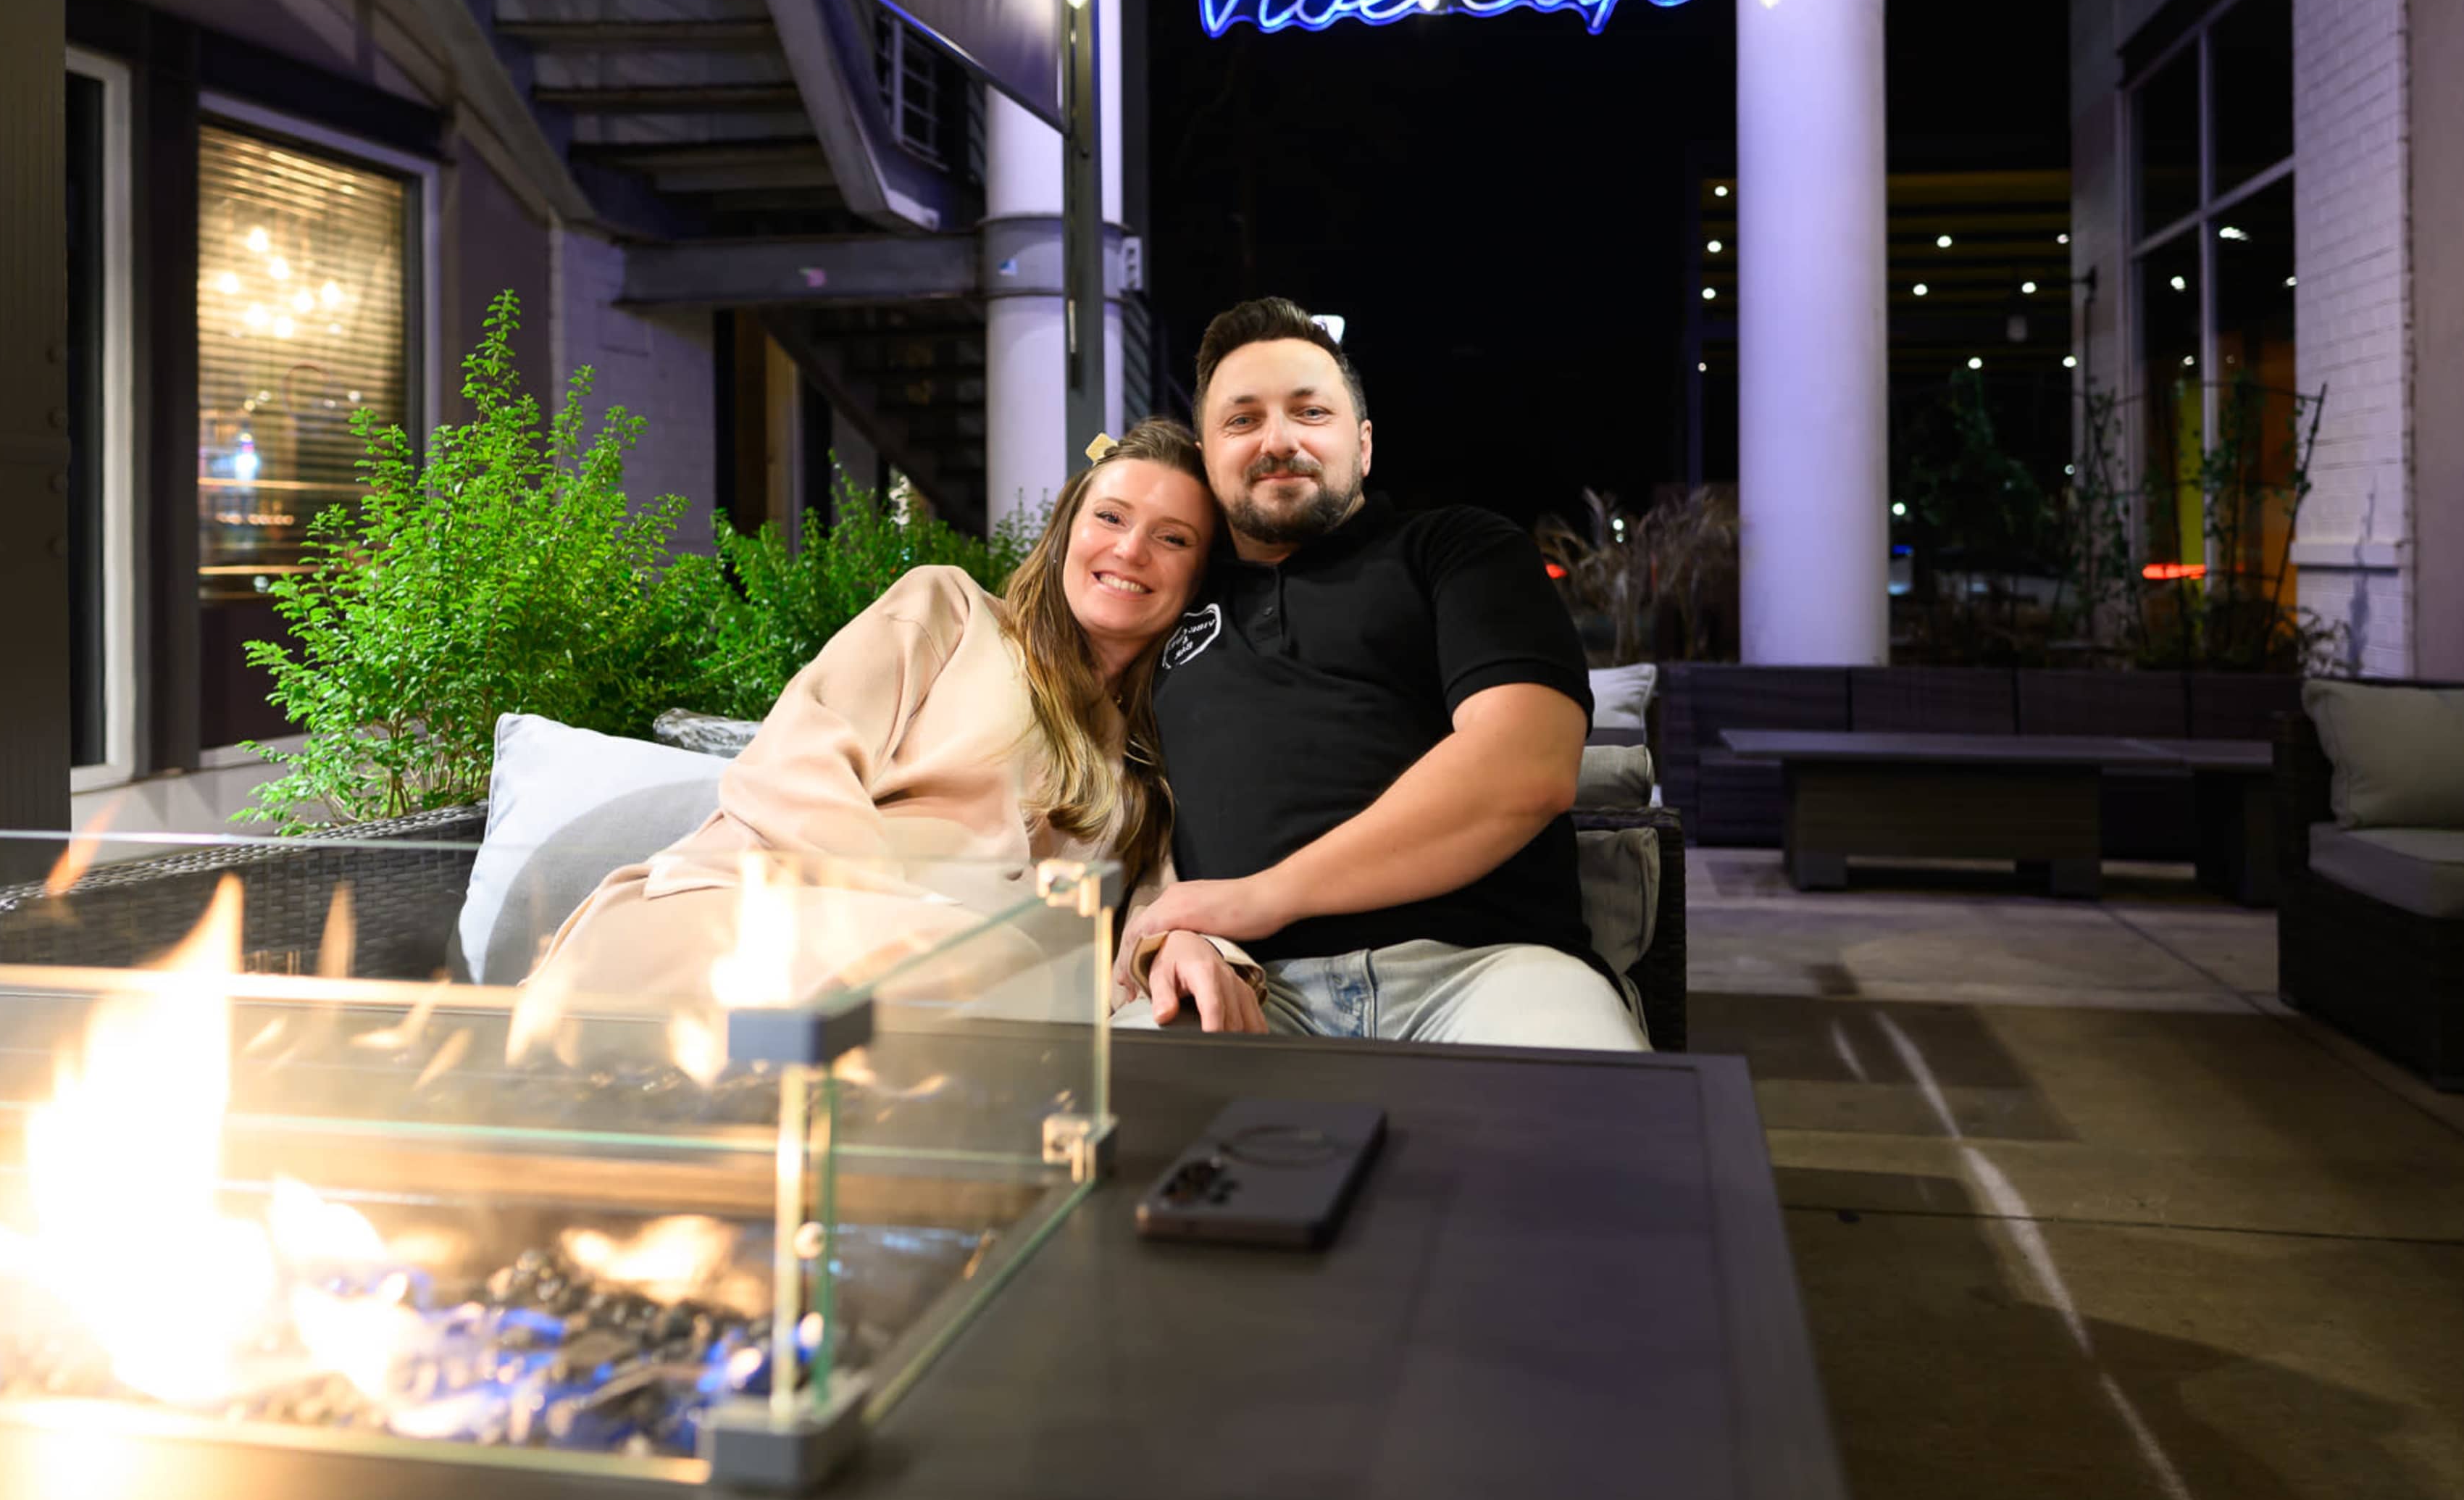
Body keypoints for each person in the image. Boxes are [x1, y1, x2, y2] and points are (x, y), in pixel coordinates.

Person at [532, 419, 1268, 1033]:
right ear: (1067, 530)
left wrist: (1194, 947)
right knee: (986, 977)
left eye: (1173, 539)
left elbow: (1162, 906)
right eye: (1110, 517)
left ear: (1198, 578)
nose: (1130, 550)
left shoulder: (1151, 756)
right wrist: (910, 919)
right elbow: (797, 760)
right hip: (764, 919)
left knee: (1005, 988)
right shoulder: (951, 612)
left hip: (951, 1001)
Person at [1116, 297, 1647, 1051]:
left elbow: (1526, 767)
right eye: (1242, 421)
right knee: (1109, 1137)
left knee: (1587, 1137)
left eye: (1311, 413)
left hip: (1487, 971)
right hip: (1240, 982)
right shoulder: (1170, 599)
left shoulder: (1456, 550)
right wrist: (1169, 935)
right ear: (1206, 459)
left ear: (1363, 446)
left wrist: (1262, 898)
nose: (1279, 440)